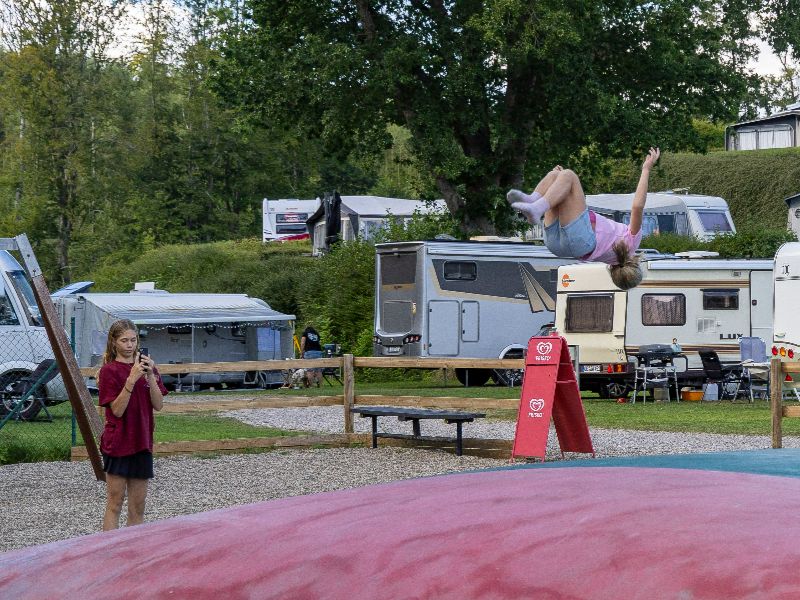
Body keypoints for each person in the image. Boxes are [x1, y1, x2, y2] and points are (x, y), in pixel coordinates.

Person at [509, 147, 660, 290]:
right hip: (557, 247)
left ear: (636, 265)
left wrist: (646, 169)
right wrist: (560, 185)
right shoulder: (609, 260)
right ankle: (533, 201)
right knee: (557, 177)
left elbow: (637, 206)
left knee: (569, 175)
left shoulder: (631, 246)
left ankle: (536, 207)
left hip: (581, 240)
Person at [98, 319, 167, 530]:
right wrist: (131, 379)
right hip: (118, 443)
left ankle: (133, 553)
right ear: (114, 342)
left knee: (138, 506)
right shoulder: (109, 372)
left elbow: (159, 405)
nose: (130, 345)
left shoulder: (147, 369)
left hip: (142, 442)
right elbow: (116, 410)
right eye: (124, 340)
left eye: (133, 340)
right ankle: (109, 550)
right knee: (115, 503)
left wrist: (149, 376)